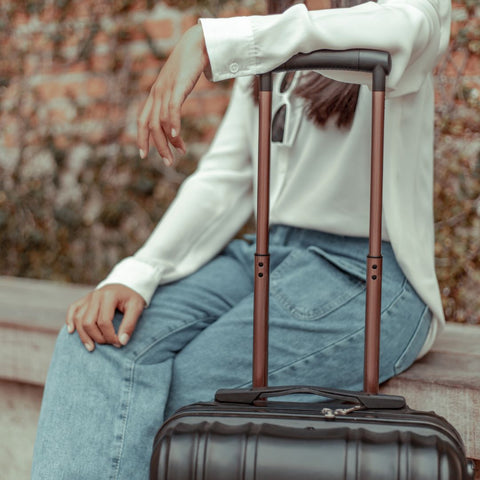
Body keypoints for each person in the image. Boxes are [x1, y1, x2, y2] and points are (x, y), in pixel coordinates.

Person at [31, 0, 451, 478]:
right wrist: (139, 271)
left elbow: (406, 28)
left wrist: (214, 43)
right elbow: (226, 178)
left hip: (367, 273)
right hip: (265, 254)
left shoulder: (399, 12)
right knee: (97, 340)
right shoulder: (271, 31)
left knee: (201, 388)